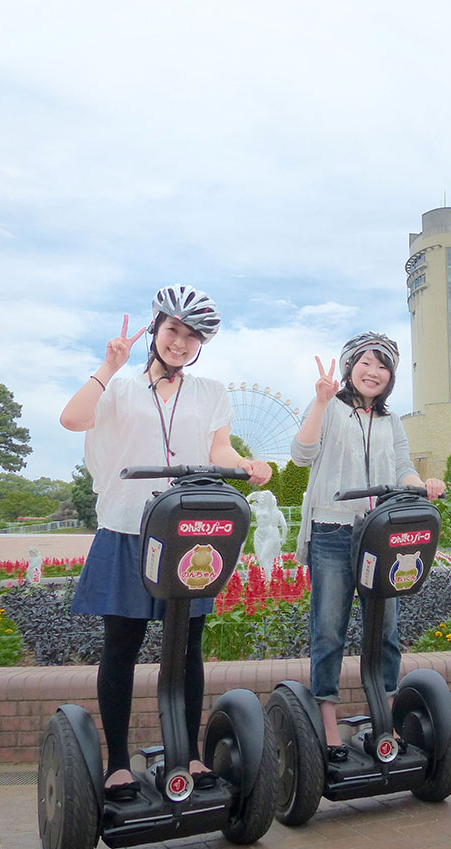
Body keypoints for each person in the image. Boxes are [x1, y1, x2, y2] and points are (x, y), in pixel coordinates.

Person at [59, 285, 271, 801]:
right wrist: (108, 365)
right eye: (173, 330)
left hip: (187, 530)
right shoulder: (121, 389)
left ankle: (190, 754)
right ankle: (116, 763)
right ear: (156, 330)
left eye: (191, 336)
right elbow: (73, 419)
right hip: (128, 527)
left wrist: (243, 463)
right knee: (122, 648)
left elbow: (218, 447)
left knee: (187, 649)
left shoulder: (210, 391)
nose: (180, 342)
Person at [291, 332, 444, 761]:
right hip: (333, 531)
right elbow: (302, 455)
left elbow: (403, 467)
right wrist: (321, 401)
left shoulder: (390, 421)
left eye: (383, 366)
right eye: (366, 363)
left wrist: (423, 486)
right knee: (328, 630)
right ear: (349, 368)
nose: (373, 372)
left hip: (380, 534)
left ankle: (386, 721)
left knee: (387, 631)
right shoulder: (330, 408)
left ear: (390, 376)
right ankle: (328, 728)